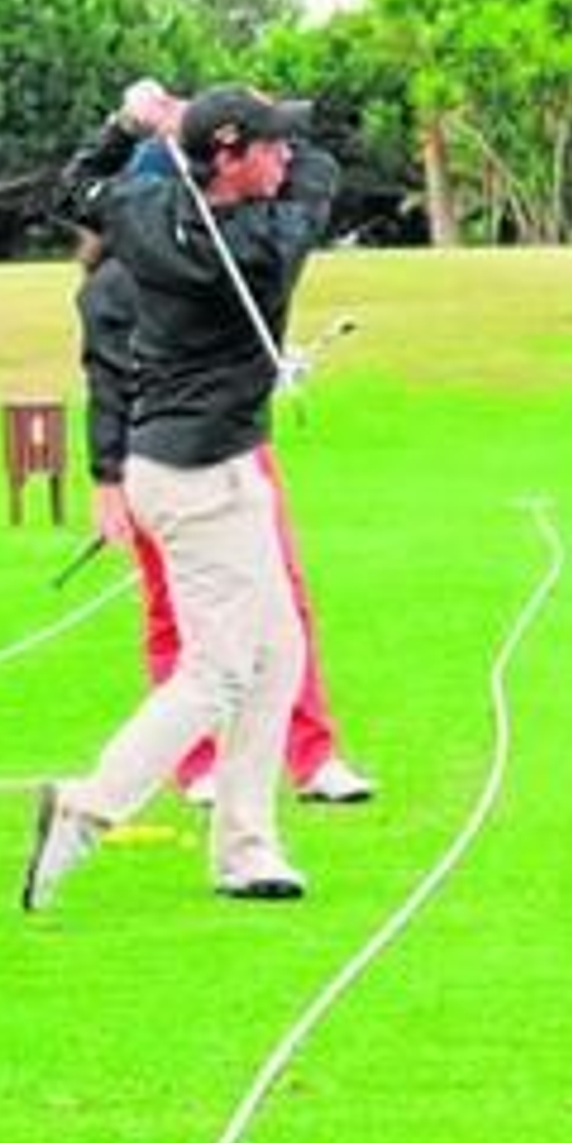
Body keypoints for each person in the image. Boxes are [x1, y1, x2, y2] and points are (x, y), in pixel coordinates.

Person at [24, 80, 338, 912]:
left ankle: (246, 844)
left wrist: (134, 123)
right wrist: (185, 126)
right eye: (269, 144)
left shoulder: (144, 213)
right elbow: (323, 172)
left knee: (279, 654)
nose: (286, 156)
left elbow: (73, 188)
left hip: (184, 466)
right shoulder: (269, 238)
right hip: (203, 480)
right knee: (220, 670)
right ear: (230, 159)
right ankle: (86, 806)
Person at [73, 227, 373, 809]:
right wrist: (106, 480)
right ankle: (196, 764)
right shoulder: (110, 288)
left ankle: (313, 757)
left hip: (238, 450)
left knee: (284, 598)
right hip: (157, 462)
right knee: (174, 613)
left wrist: (274, 366)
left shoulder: (208, 262)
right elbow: (107, 388)